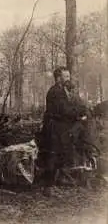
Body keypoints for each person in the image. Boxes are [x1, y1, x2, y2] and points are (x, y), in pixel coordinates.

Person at [36, 67, 88, 196]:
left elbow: (70, 108)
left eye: (68, 76)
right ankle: (48, 188)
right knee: (52, 155)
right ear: (58, 78)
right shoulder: (55, 92)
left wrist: (80, 110)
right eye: (66, 77)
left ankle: (52, 184)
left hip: (60, 127)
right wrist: (79, 114)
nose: (68, 79)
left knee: (59, 155)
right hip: (53, 128)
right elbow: (64, 111)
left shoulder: (63, 91)